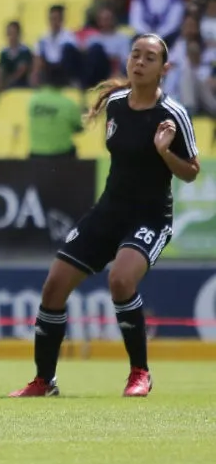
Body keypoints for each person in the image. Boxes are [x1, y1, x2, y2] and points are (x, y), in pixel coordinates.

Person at [10, 34, 199, 398]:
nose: (140, 62)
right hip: (108, 211)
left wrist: (164, 152)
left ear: (164, 68)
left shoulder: (172, 114)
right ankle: (43, 381)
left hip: (150, 218)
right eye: (135, 55)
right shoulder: (115, 102)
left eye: (150, 58)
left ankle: (140, 373)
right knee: (53, 286)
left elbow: (191, 170)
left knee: (120, 280)